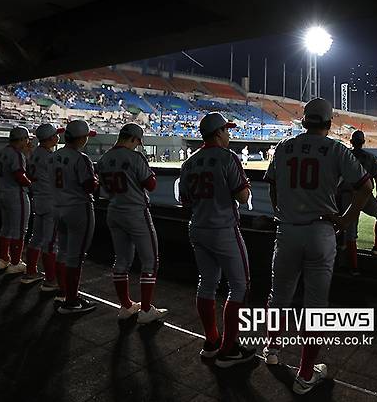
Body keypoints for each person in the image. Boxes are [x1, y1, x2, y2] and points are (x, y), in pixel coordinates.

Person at [263, 98, 372, 395]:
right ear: (328, 123)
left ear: (304, 121)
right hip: (321, 231)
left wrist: (281, 211)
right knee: (315, 307)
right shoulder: (337, 149)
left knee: (280, 295)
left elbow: (271, 184)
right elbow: (366, 185)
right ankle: (306, 374)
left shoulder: (284, 147)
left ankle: (271, 349)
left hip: (287, 230)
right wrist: (347, 220)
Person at [179, 112, 254, 367]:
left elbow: (185, 201)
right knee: (240, 286)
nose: (229, 134)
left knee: (207, 283)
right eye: (227, 130)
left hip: (198, 227)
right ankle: (229, 348)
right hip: (223, 229)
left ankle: (212, 341)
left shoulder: (189, 163)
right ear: (218, 133)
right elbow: (243, 197)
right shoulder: (227, 157)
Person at [97, 123, 168, 324]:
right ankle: (145, 310)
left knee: (121, 260)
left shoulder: (103, 159)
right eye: (137, 141)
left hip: (114, 210)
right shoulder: (135, 157)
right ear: (134, 139)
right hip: (136, 212)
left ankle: (126, 306)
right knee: (150, 261)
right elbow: (151, 185)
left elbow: (104, 190)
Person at [51, 120, 98, 314]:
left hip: (57, 206)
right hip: (78, 208)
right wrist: (96, 181)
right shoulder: (81, 158)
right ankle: (71, 301)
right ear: (81, 138)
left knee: (62, 251)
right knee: (75, 257)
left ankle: (63, 292)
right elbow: (89, 186)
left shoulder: (53, 156)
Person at [339, 130, 377, 275]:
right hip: (365, 195)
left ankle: (353, 268)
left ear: (351, 142)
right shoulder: (371, 157)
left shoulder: (343, 156)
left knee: (350, 233)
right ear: (363, 142)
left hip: (347, 195)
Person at [22, 123, 64, 288]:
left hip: (38, 199)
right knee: (51, 242)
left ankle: (31, 272)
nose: (58, 136)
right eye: (56, 134)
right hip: (50, 201)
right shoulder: (50, 157)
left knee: (37, 238)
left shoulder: (35, 154)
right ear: (51, 138)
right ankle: (50, 279)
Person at [0, 125, 33, 273]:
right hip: (16, 195)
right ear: (22, 139)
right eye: (27, 139)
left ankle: (3, 259)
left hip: (2, 193)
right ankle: (16, 263)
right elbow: (19, 175)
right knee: (19, 230)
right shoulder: (16, 154)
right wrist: (31, 185)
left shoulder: (2, 151)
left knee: (6, 228)